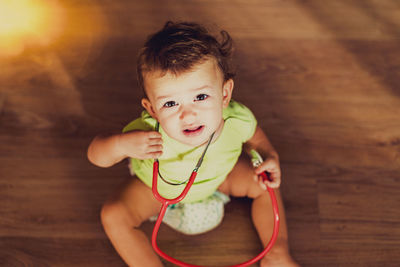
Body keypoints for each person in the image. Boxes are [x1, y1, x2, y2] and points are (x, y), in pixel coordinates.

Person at [87, 21, 299, 267]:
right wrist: (120, 145)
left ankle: (277, 253)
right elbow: (96, 155)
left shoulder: (235, 118)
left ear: (225, 94)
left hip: (219, 178)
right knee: (113, 215)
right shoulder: (147, 132)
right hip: (159, 190)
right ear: (152, 109)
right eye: (170, 104)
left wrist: (268, 155)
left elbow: (255, 137)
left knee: (264, 183)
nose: (187, 115)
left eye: (200, 97)